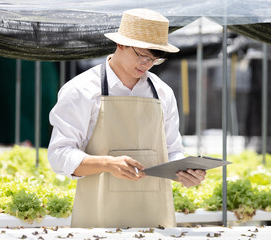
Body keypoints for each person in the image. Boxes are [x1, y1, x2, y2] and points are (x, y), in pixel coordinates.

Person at [47, 8, 206, 228]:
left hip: (154, 218)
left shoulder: (163, 93)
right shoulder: (81, 90)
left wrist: (184, 172)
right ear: (120, 44)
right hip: (99, 217)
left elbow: (172, 149)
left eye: (154, 59)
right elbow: (59, 155)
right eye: (141, 55)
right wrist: (107, 163)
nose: (146, 64)